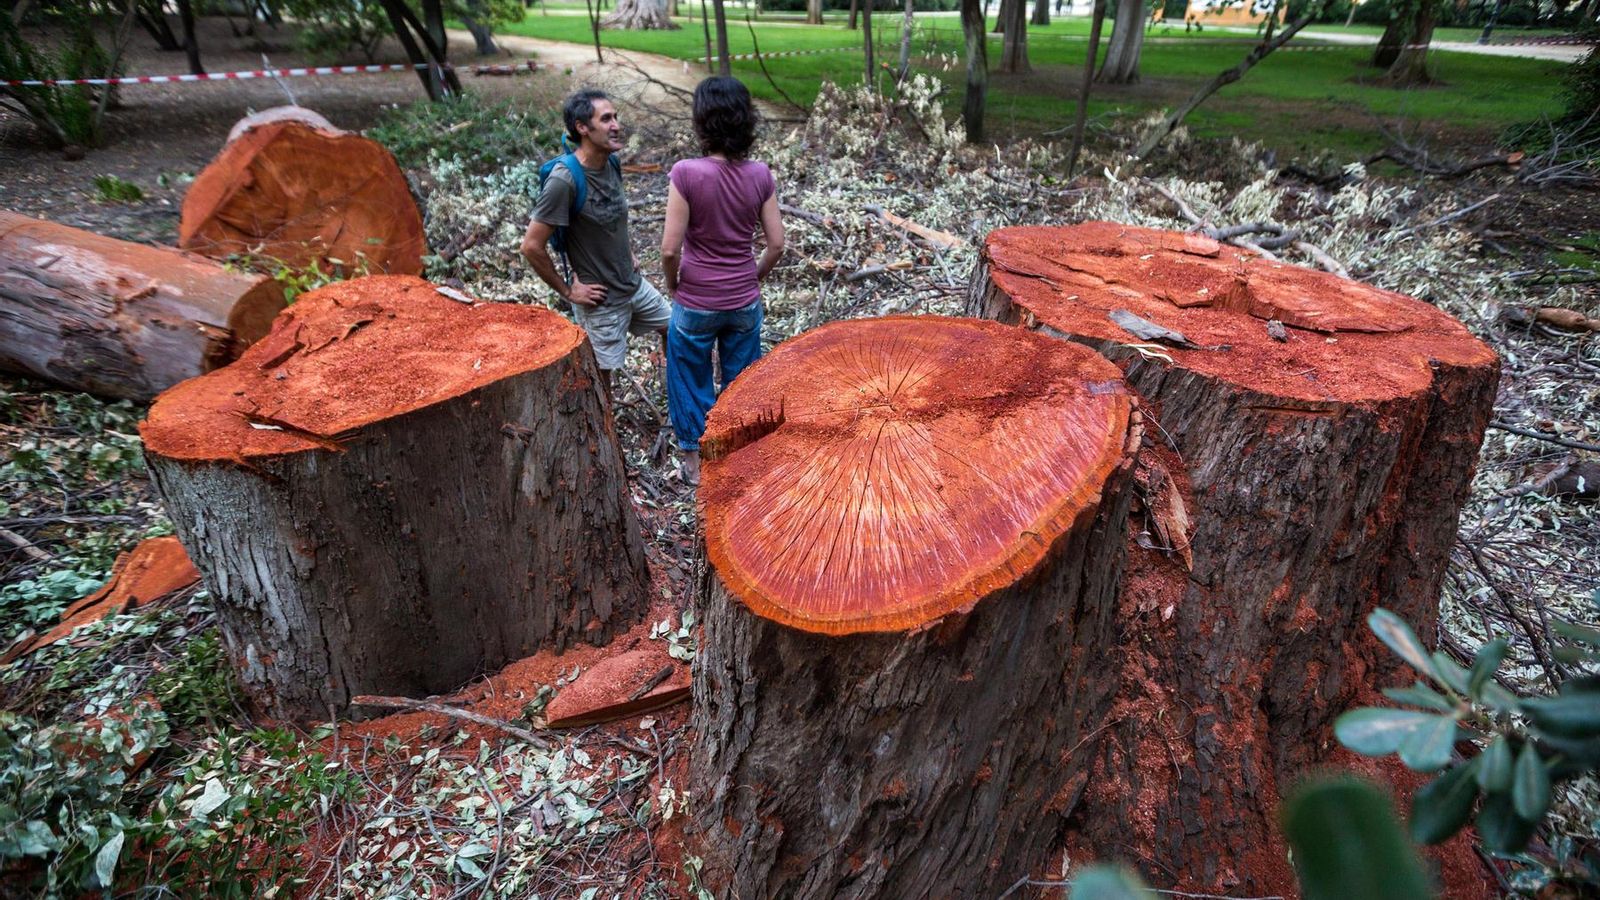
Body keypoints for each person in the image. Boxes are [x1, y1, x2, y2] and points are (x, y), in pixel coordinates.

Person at [660, 76, 785, 486]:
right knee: (742, 379)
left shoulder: (686, 173)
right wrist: (753, 277)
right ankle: (736, 454)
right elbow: (777, 244)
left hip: (696, 299)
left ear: (702, 121)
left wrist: (673, 285)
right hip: (743, 301)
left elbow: (669, 249)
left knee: (688, 374)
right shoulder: (760, 174)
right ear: (745, 120)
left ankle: (696, 463)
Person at [521, 89, 669, 390]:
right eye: (606, 119)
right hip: (601, 303)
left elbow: (614, 214)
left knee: (676, 329)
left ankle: (674, 393)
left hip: (633, 285)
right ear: (582, 127)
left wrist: (627, 250)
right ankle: (603, 435)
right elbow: (531, 246)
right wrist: (568, 291)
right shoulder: (564, 181)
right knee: (602, 385)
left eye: (615, 117)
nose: (616, 124)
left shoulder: (611, 163)